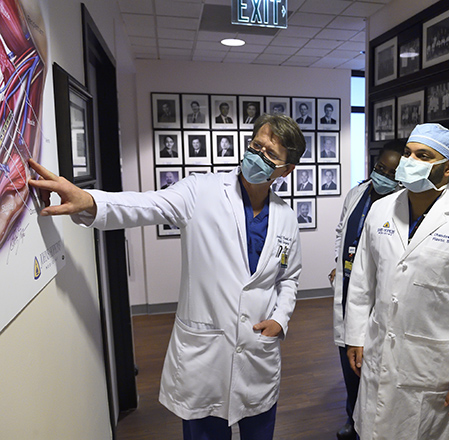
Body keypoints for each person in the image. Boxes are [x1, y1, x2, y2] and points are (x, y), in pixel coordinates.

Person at [28, 113, 306, 440]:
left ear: (286, 170)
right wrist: (90, 201)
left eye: (270, 154)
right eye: (256, 145)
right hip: (207, 355)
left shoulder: (286, 217)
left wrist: (280, 319)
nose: (258, 156)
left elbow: (289, 278)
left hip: (258, 354)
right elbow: (146, 205)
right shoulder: (201, 190)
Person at [344, 123, 449, 440]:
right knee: (372, 429)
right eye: (408, 153)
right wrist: (355, 335)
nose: (410, 161)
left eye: (423, 155)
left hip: (432, 368)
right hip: (379, 353)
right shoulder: (381, 211)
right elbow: (363, 280)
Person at [329, 140, 403, 440]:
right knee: (349, 361)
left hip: (379, 294)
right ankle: (352, 419)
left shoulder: (400, 204)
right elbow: (340, 231)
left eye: (390, 172)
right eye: (379, 168)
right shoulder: (357, 193)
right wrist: (338, 261)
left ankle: (373, 423)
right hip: (348, 287)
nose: (382, 175)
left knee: (373, 364)